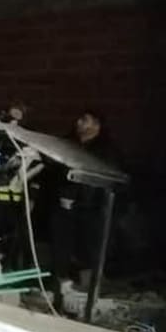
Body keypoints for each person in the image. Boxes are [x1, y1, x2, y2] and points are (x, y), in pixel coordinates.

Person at [51, 109, 122, 301]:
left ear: (97, 125)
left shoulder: (105, 150)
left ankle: (88, 291)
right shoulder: (69, 143)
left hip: (91, 210)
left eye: (85, 120)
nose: (79, 123)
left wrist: (80, 199)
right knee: (61, 248)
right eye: (79, 119)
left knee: (88, 250)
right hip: (63, 208)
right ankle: (60, 288)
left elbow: (103, 180)